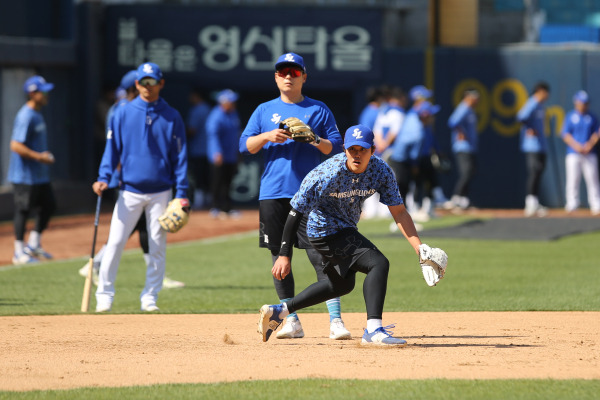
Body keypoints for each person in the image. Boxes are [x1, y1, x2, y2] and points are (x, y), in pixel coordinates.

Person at [258, 124, 442, 346]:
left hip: (346, 228)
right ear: (344, 149)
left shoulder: (381, 171)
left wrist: (419, 248)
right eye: (352, 149)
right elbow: (295, 211)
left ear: (372, 150)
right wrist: (284, 254)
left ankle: (280, 311)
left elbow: (400, 212)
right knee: (378, 263)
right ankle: (373, 330)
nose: (357, 154)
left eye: (362, 149)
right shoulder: (326, 174)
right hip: (323, 231)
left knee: (342, 286)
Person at [239, 52, 351, 340]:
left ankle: (335, 320)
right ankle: (292, 321)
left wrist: (313, 139)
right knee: (279, 258)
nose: (288, 76)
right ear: (276, 77)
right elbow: (245, 146)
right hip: (274, 192)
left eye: (294, 71)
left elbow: (336, 148)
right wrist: (267, 137)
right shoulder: (264, 110)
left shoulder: (318, 109)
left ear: (303, 76)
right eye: (282, 72)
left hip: (312, 193)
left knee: (320, 255)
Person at [92, 62, 189, 312]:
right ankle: (105, 294)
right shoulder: (121, 113)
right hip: (129, 190)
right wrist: (104, 176)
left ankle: (150, 296)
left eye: (152, 81)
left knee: (157, 246)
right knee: (114, 243)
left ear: (161, 84)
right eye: (144, 82)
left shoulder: (172, 115)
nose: (148, 86)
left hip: (161, 191)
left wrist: (182, 194)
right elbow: (111, 151)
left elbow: (180, 158)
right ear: (137, 84)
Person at [8, 75, 57, 265]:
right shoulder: (26, 115)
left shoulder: (37, 113)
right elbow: (15, 145)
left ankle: (34, 244)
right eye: (43, 91)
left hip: (39, 176)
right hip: (24, 176)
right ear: (33, 94)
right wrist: (40, 157)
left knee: (49, 205)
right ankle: (19, 252)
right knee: (23, 210)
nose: (47, 95)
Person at [363, 86, 406, 220]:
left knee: (374, 180)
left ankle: (375, 211)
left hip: (376, 149)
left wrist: (380, 145)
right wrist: (384, 145)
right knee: (389, 180)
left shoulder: (377, 111)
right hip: (386, 151)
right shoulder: (392, 111)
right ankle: (383, 210)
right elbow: (393, 132)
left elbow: (377, 132)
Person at [561, 90, 600, 215]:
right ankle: (572, 204)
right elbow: (565, 134)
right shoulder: (570, 116)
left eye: (586, 103)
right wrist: (576, 145)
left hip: (589, 152)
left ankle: (596, 204)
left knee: (592, 179)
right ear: (576, 102)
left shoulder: (592, 117)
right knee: (573, 179)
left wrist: (590, 144)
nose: (583, 105)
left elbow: (597, 133)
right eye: (581, 102)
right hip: (573, 152)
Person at [517, 81, 551, 217]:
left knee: (538, 172)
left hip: (541, 145)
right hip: (532, 146)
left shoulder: (541, 106)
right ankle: (530, 203)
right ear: (540, 91)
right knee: (534, 172)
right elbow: (521, 116)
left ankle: (535, 202)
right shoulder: (532, 103)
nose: (547, 95)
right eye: (546, 92)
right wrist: (530, 128)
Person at [206, 89, 241, 218]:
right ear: (223, 102)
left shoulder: (233, 114)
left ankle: (227, 208)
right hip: (219, 156)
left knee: (228, 182)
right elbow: (212, 135)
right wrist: (216, 152)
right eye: (231, 101)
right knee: (217, 182)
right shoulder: (216, 115)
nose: (233, 103)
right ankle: (215, 207)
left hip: (231, 155)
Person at [445, 89, 480, 211]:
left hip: (470, 147)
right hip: (462, 147)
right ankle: (457, 198)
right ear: (468, 97)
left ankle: (463, 199)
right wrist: (461, 132)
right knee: (467, 171)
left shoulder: (470, 110)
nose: (477, 100)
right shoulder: (464, 108)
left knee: (470, 172)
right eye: (475, 97)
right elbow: (453, 122)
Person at [186, 88, 212, 209]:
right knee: (206, 176)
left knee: (199, 176)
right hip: (208, 150)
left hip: (198, 150)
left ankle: (199, 201)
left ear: (197, 96)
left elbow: (192, 130)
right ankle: (206, 200)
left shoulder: (197, 110)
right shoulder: (208, 108)